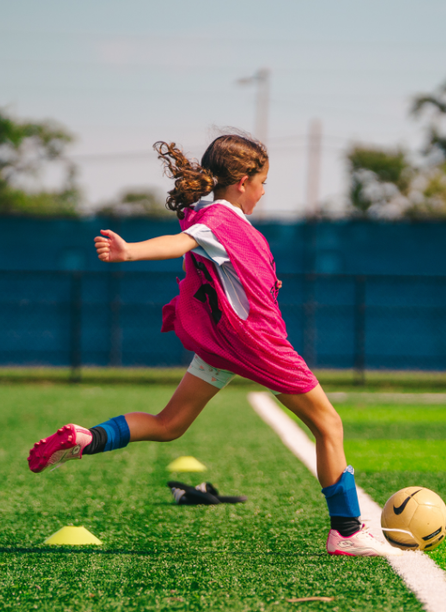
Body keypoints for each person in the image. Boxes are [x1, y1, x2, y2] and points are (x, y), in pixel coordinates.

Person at [27, 133, 398, 557]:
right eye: (262, 182)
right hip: (256, 343)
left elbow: (195, 222)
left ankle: (85, 438)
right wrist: (129, 252)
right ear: (241, 180)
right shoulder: (220, 222)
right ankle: (347, 531)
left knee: (169, 425)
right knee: (329, 425)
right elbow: (182, 242)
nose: (263, 192)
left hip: (220, 345)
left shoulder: (211, 212)